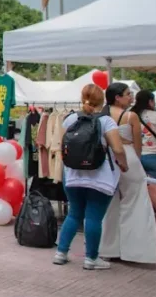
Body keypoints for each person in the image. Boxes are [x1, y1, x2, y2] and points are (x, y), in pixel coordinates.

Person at [53, 84, 128, 271]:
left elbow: (62, 146)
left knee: (73, 214)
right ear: (102, 100)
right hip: (99, 176)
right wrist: (123, 164)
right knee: (94, 217)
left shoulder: (70, 119)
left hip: (73, 175)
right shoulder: (106, 121)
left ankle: (61, 253)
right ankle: (91, 258)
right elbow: (118, 148)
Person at [99, 83, 156, 264]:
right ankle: (135, 250)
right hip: (128, 157)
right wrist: (136, 162)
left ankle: (108, 248)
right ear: (117, 97)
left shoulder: (102, 115)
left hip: (107, 160)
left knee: (109, 205)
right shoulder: (130, 116)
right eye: (128, 94)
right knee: (136, 203)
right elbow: (137, 145)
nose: (131, 97)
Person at [132, 90, 156, 180]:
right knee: (154, 186)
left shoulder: (130, 115)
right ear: (150, 101)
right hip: (154, 156)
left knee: (137, 186)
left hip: (134, 155)